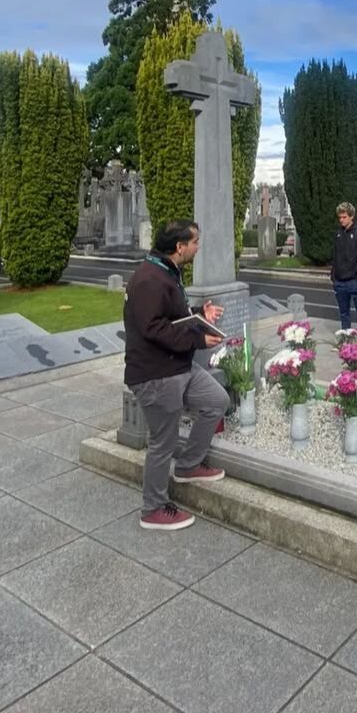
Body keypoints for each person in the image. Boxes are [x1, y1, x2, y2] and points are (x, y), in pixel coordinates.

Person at [123, 220, 229, 532]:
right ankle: (153, 508)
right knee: (162, 442)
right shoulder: (149, 279)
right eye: (195, 242)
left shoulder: (166, 270)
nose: (198, 247)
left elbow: (172, 314)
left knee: (216, 400)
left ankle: (188, 465)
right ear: (179, 247)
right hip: (156, 374)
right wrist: (197, 338)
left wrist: (199, 313)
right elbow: (153, 328)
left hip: (177, 366)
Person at [331, 202, 357, 330]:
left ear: (351, 216)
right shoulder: (338, 234)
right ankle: (345, 341)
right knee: (344, 314)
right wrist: (334, 277)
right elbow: (335, 256)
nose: (341, 220)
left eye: (344, 217)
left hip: (354, 281)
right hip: (339, 281)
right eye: (340, 217)